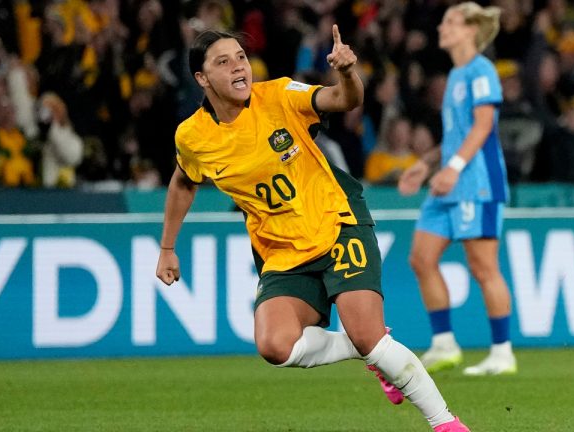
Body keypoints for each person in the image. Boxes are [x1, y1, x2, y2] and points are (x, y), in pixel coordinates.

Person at [155, 28, 471, 432]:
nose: (238, 66)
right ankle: (366, 351)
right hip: (282, 248)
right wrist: (167, 247)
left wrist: (348, 73)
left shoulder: (281, 95)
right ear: (201, 79)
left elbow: (344, 99)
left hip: (337, 220)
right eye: (223, 61)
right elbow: (184, 181)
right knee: (275, 346)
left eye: (240, 57)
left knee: (368, 335)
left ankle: (446, 423)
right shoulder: (193, 136)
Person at [398, 2, 517, 376]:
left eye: (450, 22)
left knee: (484, 268)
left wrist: (452, 168)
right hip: (448, 181)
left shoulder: (482, 71)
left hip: (476, 184)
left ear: (470, 30)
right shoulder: (455, 76)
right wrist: (427, 163)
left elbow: (483, 127)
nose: (441, 28)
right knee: (420, 258)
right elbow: (457, 136)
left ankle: (502, 353)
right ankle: (444, 344)